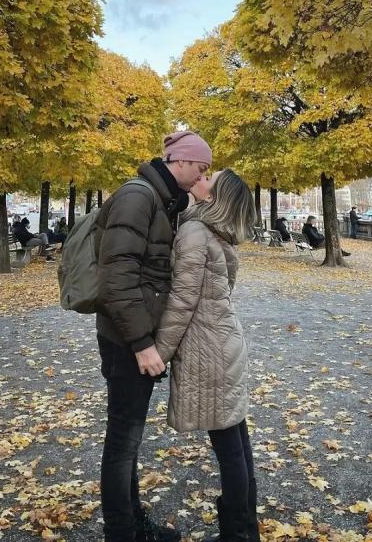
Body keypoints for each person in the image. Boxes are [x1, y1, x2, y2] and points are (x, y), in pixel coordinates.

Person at [95, 130, 212, 542]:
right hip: (128, 340)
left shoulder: (158, 199)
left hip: (134, 335)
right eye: (201, 165)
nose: (204, 172)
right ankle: (122, 532)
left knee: (129, 437)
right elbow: (117, 278)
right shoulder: (139, 196)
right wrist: (143, 344)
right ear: (180, 161)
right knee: (123, 439)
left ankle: (130, 523)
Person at [156, 169, 259, 542]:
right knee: (237, 441)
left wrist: (159, 354)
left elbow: (182, 301)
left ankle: (237, 536)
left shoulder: (195, 233)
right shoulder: (217, 234)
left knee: (229, 447)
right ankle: (246, 529)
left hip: (210, 349)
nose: (199, 179)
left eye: (208, 180)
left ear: (214, 198)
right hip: (224, 342)